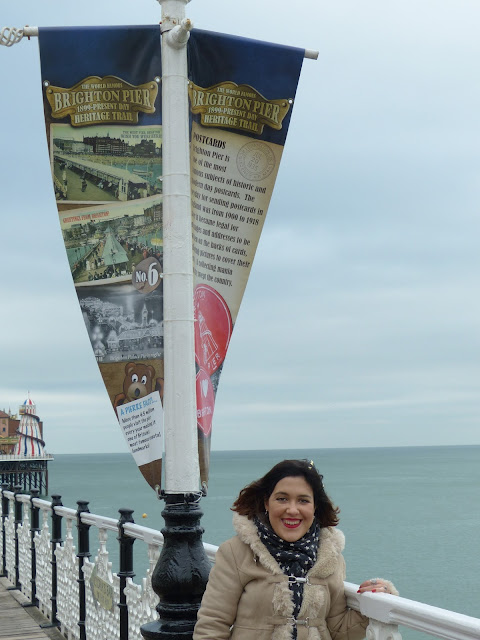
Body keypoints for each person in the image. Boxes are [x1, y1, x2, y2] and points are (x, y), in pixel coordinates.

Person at [194, 459, 398, 640]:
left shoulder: (329, 557)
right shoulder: (236, 552)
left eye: (303, 500)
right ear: (267, 502)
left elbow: (338, 630)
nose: (292, 510)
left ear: (315, 506)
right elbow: (212, 626)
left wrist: (376, 599)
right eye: (282, 498)